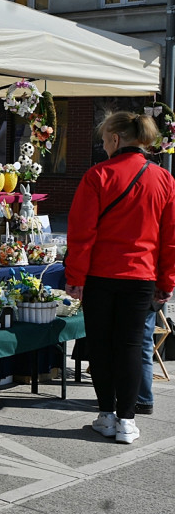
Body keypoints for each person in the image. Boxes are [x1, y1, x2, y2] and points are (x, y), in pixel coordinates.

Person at [65, 111, 175, 444]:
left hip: (100, 275)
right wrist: (167, 281)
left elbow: (82, 233)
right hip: (141, 276)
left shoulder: (97, 175)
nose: (103, 146)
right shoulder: (163, 179)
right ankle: (128, 421)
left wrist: (75, 278)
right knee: (129, 346)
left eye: (103, 140)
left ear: (115, 139)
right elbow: (169, 238)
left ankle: (106, 415)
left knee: (100, 346)